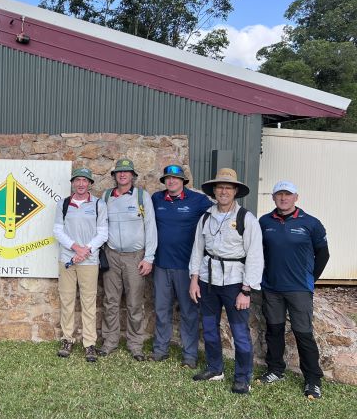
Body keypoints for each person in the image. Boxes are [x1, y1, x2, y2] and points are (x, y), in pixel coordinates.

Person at [189, 168, 263, 394]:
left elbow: (255, 255)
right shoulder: (206, 217)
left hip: (235, 283)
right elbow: (197, 250)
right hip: (208, 281)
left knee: (240, 332)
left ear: (235, 191)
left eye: (228, 187)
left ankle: (243, 378)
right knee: (210, 328)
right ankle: (215, 368)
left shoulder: (246, 219)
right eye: (219, 187)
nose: (223, 191)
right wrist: (194, 280)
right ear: (214, 191)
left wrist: (247, 290)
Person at [258, 181, 329, 400]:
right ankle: (275, 370)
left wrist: (310, 279)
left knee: (303, 334)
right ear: (273, 198)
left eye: (287, 194)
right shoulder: (264, 222)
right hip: (272, 288)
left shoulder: (311, 223)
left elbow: (323, 255)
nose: (283, 198)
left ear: (296, 197)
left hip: (299, 289)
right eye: (279, 194)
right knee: (274, 330)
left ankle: (312, 380)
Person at [150, 164, 213, 368]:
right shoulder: (156, 199)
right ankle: (160, 349)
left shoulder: (198, 200)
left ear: (183, 181)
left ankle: (190, 355)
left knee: (189, 312)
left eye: (175, 179)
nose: (171, 181)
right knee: (161, 310)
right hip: (161, 265)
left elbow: (218, 214)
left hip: (187, 268)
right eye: (168, 178)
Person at [98, 158, 157, 361]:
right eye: (119, 172)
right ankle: (110, 341)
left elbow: (151, 227)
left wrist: (149, 257)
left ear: (133, 176)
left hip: (135, 257)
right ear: (114, 176)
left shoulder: (142, 197)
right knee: (111, 301)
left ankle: (135, 344)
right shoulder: (106, 196)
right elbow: (100, 225)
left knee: (134, 303)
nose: (122, 175)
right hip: (112, 255)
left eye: (126, 172)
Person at [52, 168, 108, 362]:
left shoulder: (99, 204)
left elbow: (102, 233)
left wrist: (85, 250)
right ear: (73, 183)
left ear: (90, 184)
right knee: (67, 300)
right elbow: (58, 231)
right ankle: (67, 339)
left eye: (85, 181)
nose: (81, 184)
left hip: (89, 260)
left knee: (88, 302)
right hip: (67, 259)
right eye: (78, 180)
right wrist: (75, 248)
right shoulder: (64, 204)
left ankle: (89, 343)